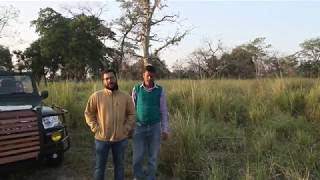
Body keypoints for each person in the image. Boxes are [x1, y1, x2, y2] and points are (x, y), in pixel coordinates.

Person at [84, 69, 135, 180]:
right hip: (101, 139)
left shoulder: (125, 96)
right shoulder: (96, 96)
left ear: (116, 78)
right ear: (103, 81)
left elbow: (132, 114)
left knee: (120, 167)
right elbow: (88, 113)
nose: (109, 80)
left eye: (111, 78)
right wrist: (95, 127)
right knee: (99, 168)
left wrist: (126, 128)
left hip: (120, 139)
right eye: (106, 79)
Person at [131, 64, 170, 180]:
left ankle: (151, 177)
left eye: (152, 76)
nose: (149, 78)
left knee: (152, 157)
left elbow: (163, 110)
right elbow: (132, 109)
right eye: (147, 76)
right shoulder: (136, 89)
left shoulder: (160, 90)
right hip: (139, 127)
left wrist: (165, 129)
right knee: (137, 157)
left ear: (155, 76)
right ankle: (138, 177)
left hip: (155, 127)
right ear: (143, 75)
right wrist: (130, 126)